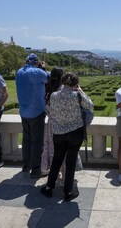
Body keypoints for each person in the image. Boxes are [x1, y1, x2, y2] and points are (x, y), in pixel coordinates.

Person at [40, 72, 93, 201]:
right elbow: (90, 105)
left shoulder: (54, 95)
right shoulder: (77, 95)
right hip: (75, 133)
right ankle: (68, 192)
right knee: (70, 162)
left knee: (56, 161)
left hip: (58, 133)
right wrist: (80, 91)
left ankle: (49, 188)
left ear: (63, 82)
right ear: (76, 84)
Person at [16, 53, 49, 179]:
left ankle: (26, 165)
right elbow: (49, 78)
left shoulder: (19, 71)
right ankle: (36, 170)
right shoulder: (37, 72)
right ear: (36, 62)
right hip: (36, 111)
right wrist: (43, 68)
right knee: (37, 142)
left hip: (24, 112)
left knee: (26, 140)